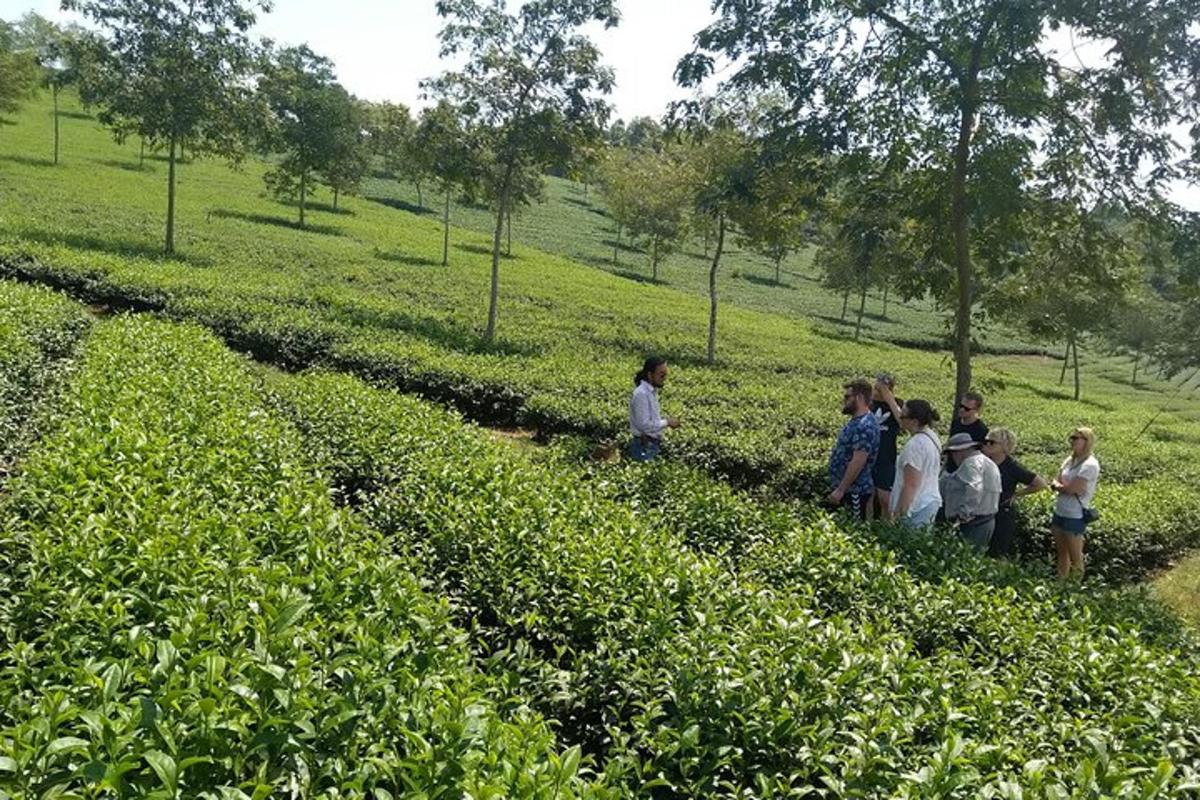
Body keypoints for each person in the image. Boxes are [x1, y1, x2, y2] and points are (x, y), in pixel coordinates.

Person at [982, 428, 1049, 559]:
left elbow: (1040, 483)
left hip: (1002, 512)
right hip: (984, 510)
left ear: (1004, 446)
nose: (987, 444)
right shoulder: (984, 462)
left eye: (992, 442)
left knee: (998, 552)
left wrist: (1017, 494)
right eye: (986, 442)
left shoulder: (1012, 467)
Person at [1050, 427, 1101, 579]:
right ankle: (1060, 585)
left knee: (1076, 558)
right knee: (1061, 554)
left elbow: (1075, 489)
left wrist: (1059, 487)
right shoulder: (1069, 460)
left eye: (1076, 438)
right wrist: (1061, 486)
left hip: (1075, 515)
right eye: (1071, 438)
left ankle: (1075, 590)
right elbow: (1056, 480)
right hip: (1060, 511)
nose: (1072, 441)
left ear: (1087, 441)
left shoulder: (1090, 464)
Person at [827, 379, 880, 520]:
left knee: (852, 531)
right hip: (847, 490)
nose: (844, 400)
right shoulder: (857, 421)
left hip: (855, 491)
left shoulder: (865, 426)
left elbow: (858, 461)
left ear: (860, 398)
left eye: (847, 397)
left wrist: (840, 490)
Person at [939, 433, 1002, 553]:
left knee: (963, 559)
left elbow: (974, 488)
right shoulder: (988, 462)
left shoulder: (970, 464)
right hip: (987, 520)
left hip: (973, 522)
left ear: (960, 451)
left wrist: (963, 514)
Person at [887, 399, 942, 528]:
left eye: (903, 416)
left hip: (916, 508)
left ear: (915, 421)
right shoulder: (932, 436)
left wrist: (898, 516)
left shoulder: (915, 446)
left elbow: (911, 485)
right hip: (929, 501)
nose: (900, 417)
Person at [628, 356, 679, 462]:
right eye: (661, 375)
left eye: (666, 375)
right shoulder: (641, 394)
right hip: (643, 446)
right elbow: (644, 425)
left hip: (651, 444)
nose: (664, 378)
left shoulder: (651, 392)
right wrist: (667, 422)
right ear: (650, 375)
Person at [871, 374, 903, 519]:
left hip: (886, 457)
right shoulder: (868, 403)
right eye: (876, 388)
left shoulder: (897, 404)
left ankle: (888, 527)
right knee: (868, 496)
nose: (878, 392)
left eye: (882, 389)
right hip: (869, 456)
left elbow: (902, 422)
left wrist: (889, 398)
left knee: (886, 499)